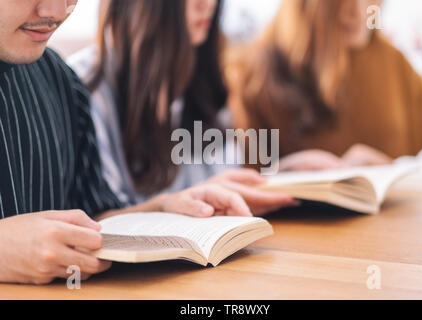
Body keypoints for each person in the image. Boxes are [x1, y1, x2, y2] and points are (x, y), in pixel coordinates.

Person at [0, 0, 270, 285]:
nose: (55, 11)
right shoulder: (87, 80)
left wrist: (164, 209)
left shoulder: (58, 79)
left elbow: (93, 216)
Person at [68, 0, 297, 214]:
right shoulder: (83, 87)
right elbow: (95, 221)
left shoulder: (197, 75)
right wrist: (167, 206)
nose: (208, 4)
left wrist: (282, 175)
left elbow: (220, 184)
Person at [226, 0, 422, 171]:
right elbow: (244, 184)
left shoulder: (391, 61)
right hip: (305, 228)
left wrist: (394, 172)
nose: (357, 10)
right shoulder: (256, 75)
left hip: (396, 227)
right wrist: (283, 172)